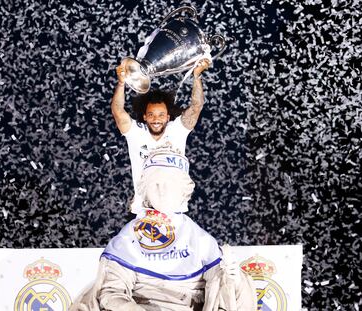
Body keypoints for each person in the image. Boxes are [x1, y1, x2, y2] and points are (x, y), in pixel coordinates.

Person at [69, 149, 257, 311]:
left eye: (170, 183)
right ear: (145, 190)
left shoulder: (199, 239)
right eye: (155, 183)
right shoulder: (128, 239)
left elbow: (223, 289)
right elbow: (111, 293)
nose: (162, 189)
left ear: (184, 191)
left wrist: (232, 279)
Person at [111, 58, 211, 213]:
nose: (156, 119)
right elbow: (118, 110)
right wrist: (121, 83)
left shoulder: (177, 130)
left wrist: (197, 76)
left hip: (176, 211)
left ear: (168, 117)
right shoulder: (136, 133)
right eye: (151, 115)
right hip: (143, 211)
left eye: (161, 115)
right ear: (144, 117)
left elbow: (197, 106)